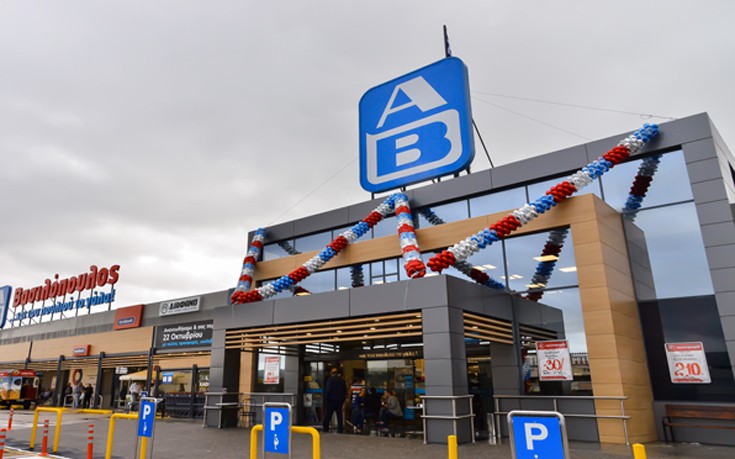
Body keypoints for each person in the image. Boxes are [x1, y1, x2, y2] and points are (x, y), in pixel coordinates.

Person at [322, 368, 347, 434]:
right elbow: (345, 391)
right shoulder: (342, 380)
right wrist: (343, 400)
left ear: (332, 373)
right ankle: (340, 429)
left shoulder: (330, 380)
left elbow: (328, 390)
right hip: (339, 401)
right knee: (339, 415)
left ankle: (325, 428)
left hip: (331, 400)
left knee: (328, 415)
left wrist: (327, 399)